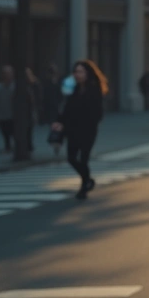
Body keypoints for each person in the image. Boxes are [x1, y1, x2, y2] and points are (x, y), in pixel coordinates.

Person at [53, 61, 107, 200]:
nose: (77, 74)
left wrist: (88, 122)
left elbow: (98, 113)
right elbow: (66, 108)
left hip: (88, 130)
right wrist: (60, 122)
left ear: (88, 73)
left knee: (83, 159)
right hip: (72, 129)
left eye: (80, 71)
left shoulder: (94, 89)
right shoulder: (73, 89)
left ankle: (84, 187)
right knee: (71, 158)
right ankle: (88, 179)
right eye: (76, 71)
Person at [0, 66, 16, 152]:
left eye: (10, 73)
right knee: (5, 132)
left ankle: (12, 145)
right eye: (6, 73)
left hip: (12, 114)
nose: (9, 75)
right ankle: (7, 146)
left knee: (12, 131)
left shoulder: (14, 87)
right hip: (2, 114)